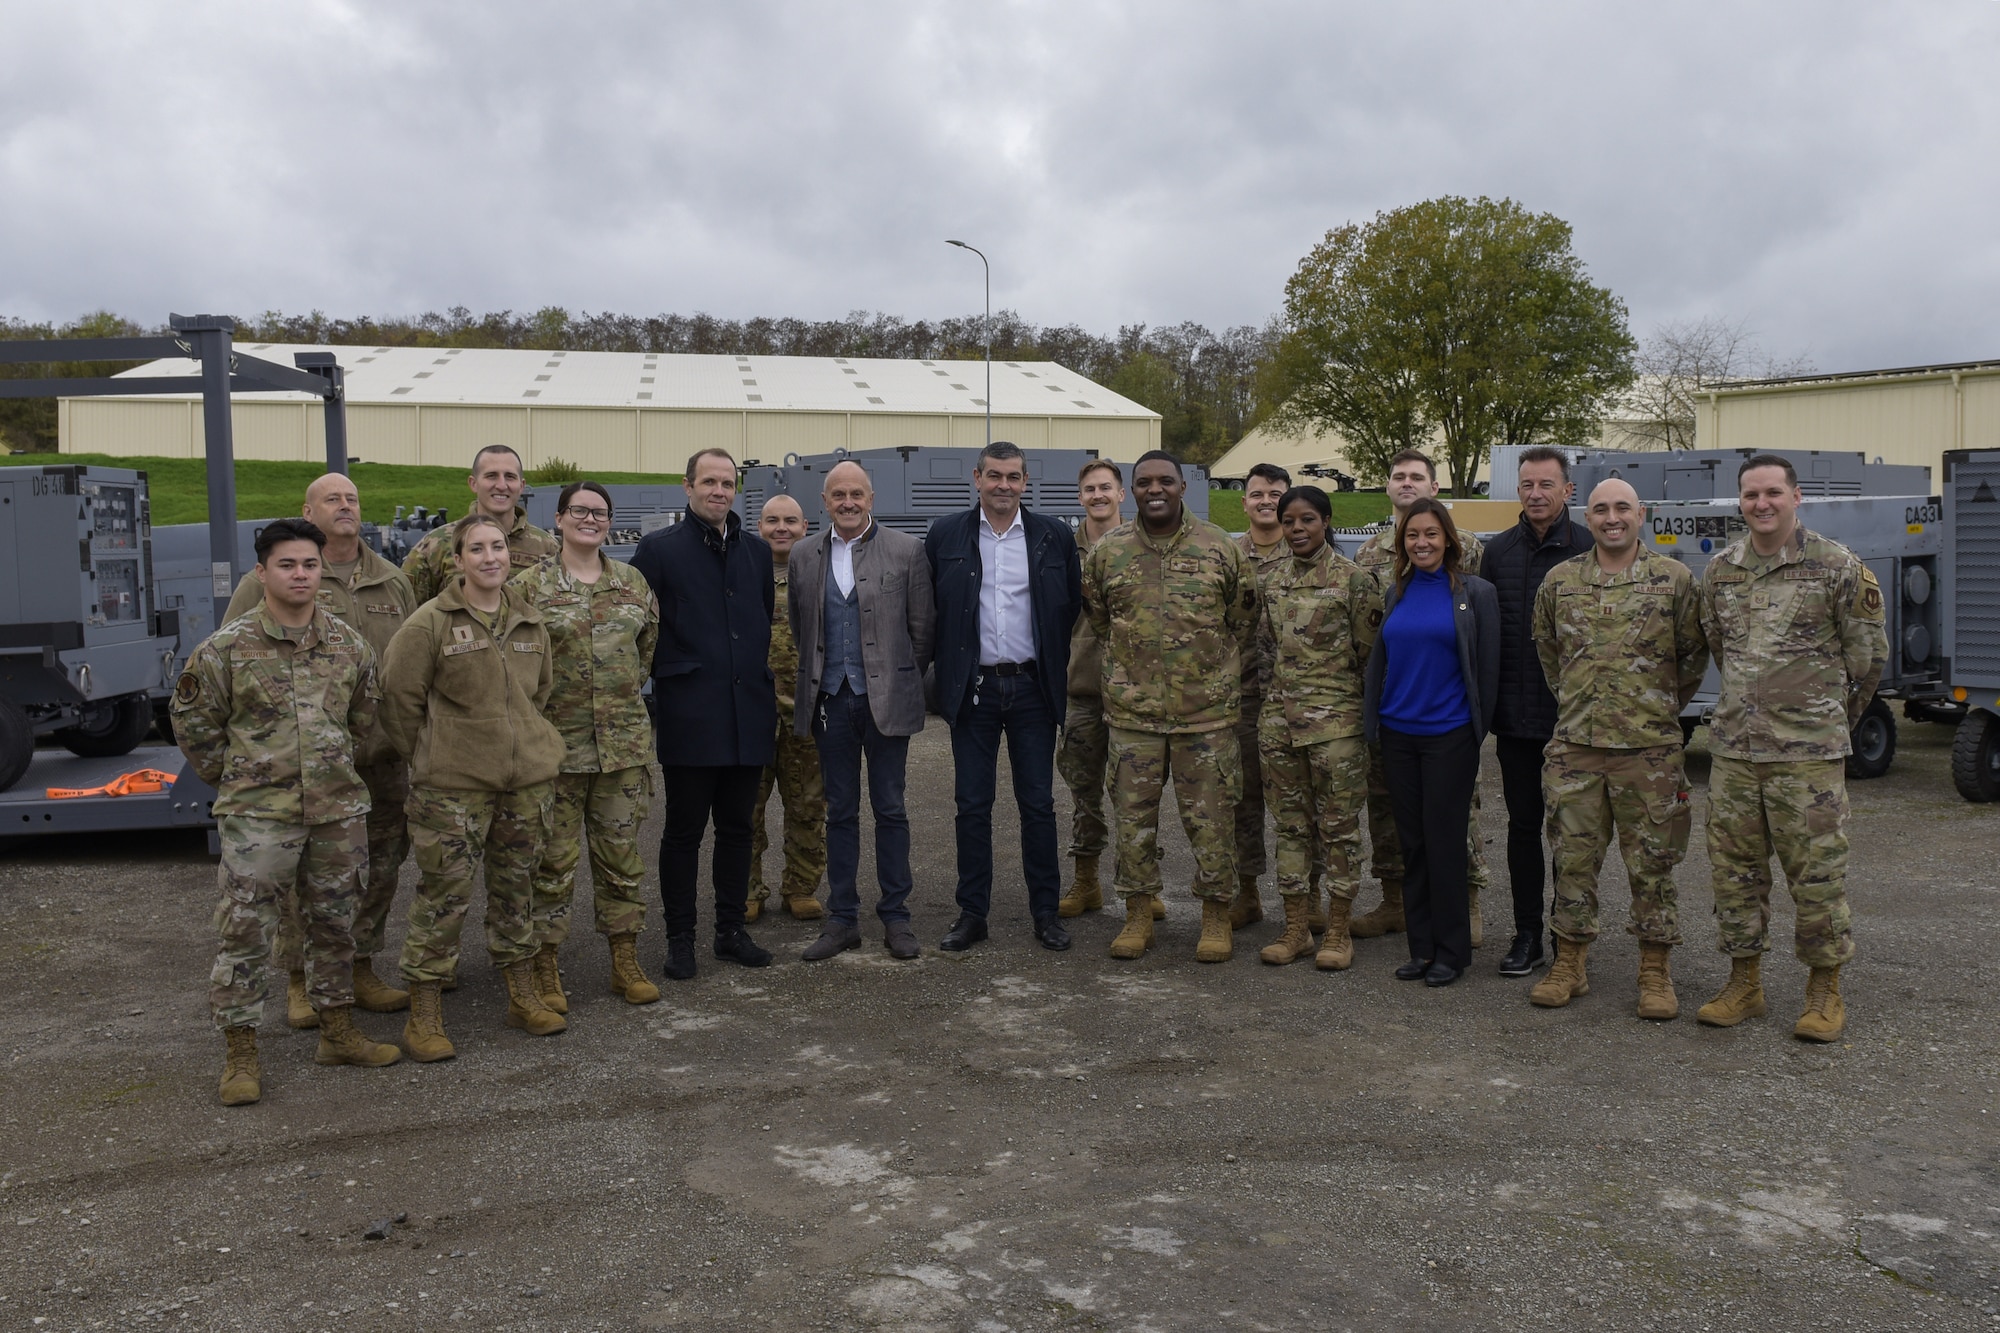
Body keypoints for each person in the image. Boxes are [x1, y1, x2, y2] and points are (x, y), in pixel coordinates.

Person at [174, 517, 403, 1104]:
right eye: (287, 565)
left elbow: (361, 719)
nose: (300, 575)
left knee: (334, 926)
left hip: (335, 811)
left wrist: (330, 767)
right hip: (259, 817)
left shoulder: (348, 645)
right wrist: (241, 777)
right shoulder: (226, 649)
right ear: (262, 572)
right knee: (246, 931)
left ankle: (337, 1031)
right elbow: (195, 726)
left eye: (309, 565)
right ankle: (241, 1052)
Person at [1695, 454, 1886, 1041]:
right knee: (1734, 874)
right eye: (1751, 495)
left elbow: (1867, 661)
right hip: (1735, 753)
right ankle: (1744, 983)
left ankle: (1824, 991)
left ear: (1796, 497)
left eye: (1773, 493)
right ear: (1740, 502)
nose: (1762, 504)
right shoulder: (1721, 570)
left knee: (1818, 876)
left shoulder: (1837, 567)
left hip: (1807, 758)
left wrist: (1821, 721)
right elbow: (1720, 650)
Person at [222, 473, 417, 1025]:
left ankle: (358, 967)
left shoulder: (392, 581)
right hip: (298, 770)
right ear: (307, 510)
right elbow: (227, 670)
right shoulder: (276, 577)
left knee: (377, 869)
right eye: (332, 499)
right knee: (297, 879)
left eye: (352, 498)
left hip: (380, 761)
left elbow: (409, 665)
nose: (345, 506)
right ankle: (300, 979)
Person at [381, 514, 568, 1060]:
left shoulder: (531, 622)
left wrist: (530, 746)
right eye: (477, 549)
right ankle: (424, 1014)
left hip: (525, 784)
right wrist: (436, 752)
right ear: (458, 559)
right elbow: (397, 702)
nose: (491, 557)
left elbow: (541, 697)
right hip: (452, 791)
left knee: (518, 894)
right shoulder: (429, 625)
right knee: (444, 897)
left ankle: (522, 996)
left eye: (498, 548)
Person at [1529, 479, 1709, 1016]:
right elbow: (1548, 652)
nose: (1612, 518)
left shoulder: (1673, 579)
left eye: (1622, 508)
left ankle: (1654, 970)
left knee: (1653, 864)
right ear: (1587, 516)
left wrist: (1652, 708)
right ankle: (1570, 963)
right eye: (1602, 509)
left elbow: (1692, 657)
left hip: (1648, 751)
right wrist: (1581, 704)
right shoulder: (1560, 581)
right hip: (1576, 749)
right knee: (1572, 860)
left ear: (1641, 514)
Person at [1084, 450, 1256, 963]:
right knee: (1133, 822)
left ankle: (1215, 916)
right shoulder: (1108, 552)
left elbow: (1242, 618)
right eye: (1143, 483)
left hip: (1205, 717)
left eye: (1165, 481)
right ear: (1131, 491)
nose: (1154, 490)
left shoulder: (1220, 547)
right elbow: (1098, 618)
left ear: (1183, 487)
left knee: (1211, 823)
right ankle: (1138, 914)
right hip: (1133, 717)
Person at [926, 441, 1083, 952]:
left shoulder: (1051, 536)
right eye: (994, 475)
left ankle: (1046, 912)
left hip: (1034, 688)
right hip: (975, 690)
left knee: (1037, 804)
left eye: (1013, 477)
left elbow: (1070, 609)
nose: (1003, 486)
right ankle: (973, 913)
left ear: (1025, 481)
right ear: (976, 479)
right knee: (972, 805)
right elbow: (931, 612)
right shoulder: (947, 534)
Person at [630, 448, 776, 981]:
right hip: (691, 711)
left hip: (747, 713)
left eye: (728, 483)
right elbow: (642, 627)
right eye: (709, 482)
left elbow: (759, 619)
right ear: (687, 486)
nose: (719, 491)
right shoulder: (659, 550)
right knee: (685, 830)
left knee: (739, 828)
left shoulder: (756, 553)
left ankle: (731, 930)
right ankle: (681, 937)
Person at [516, 481, 663, 1011]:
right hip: (555, 752)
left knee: (621, 860)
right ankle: (545, 966)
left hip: (622, 750)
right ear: (558, 519)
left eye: (599, 513)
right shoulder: (529, 587)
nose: (589, 519)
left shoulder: (632, 582)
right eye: (579, 511)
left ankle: (624, 960)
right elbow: (517, 664)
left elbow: (644, 654)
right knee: (551, 864)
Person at [785, 460, 936, 961]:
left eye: (857, 494)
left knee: (891, 810)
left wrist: (890, 680)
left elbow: (922, 633)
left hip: (886, 702)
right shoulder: (804, 554)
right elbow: (800, 628)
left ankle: (896, 916)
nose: (848, 502)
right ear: (824, 502)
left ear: (871, 498)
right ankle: (843, 918)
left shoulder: (907, 550)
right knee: (840, 813)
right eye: (837, 495)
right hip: (831, 700)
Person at [1350, 449, 1491, 943]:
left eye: (1417, 477)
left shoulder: (1469, 548)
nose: (1406, 483)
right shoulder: (1369, 554)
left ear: (1434, 487)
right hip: (1396, 705)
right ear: (1387, 486)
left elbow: (1477, 633)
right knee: (1389, 811)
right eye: (1398, 476)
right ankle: (1398, 904)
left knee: (1456, 815)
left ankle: (1464, 902)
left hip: (1445, 715)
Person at [1253, 486, 1381, 969]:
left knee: (1340, 831)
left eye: (1307, 519)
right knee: (1289, 829)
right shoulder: (1273, 580)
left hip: (1337, 729)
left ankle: (1339, 932)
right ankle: (1296, 928)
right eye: (1289, 521)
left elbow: (1369, 656)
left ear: (1326, 521)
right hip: (1280, 727)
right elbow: (1265, 649)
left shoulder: (1354, 581)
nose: (1297, 529)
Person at [1479, 445, 1593, 977]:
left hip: (1578, 722)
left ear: (1568, 491)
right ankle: (1527, 934)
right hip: (1518, 721)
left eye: (1547, 484)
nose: (1536, 494)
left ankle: (1569, 934)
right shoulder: (1498, 553)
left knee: (1575, 835)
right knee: (1523, 829)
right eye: (1527, 485)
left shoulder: (1592, 549)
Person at [1056, 460, 1143, 919]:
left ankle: (1140, 891)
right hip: (1080, 691)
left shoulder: (1139, 547)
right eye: (1089, 488)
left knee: (1135, 800)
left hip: (1133, 695)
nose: (1097, 495)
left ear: (1121, 494)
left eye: (1105, 487)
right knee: (1084, 795)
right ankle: (1086, 881)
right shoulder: (1061, 550)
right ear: (1080, 496)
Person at [749, 494, 828, 923]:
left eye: (791, 521)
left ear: (805, 526)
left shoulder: (818, 571)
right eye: (772, 521)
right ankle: (747, 890)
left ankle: (800, 887)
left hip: (806, 713)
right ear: (759, 527)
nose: (782, 528)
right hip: (754, 714)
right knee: (746, 810)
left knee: (808, 806)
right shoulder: (746, 573)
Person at [1227, 462, 1292, 931]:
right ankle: (1245, 893)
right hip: (1244, 695)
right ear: (1244, 501)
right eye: (1257, 494)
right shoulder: (1227, 554)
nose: (1266, 501)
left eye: (1275, 493)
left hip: (1296, 698)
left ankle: (1303, 900)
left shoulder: (1307, 549)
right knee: (1243, 800)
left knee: (1298, 806)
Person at [400, 445, 560, 605]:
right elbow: (406, 608)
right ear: (473, 483)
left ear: (521, 486)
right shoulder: (436, 545)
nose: (502, 485)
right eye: (491, 476)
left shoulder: (547, 547)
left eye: (510, 477)